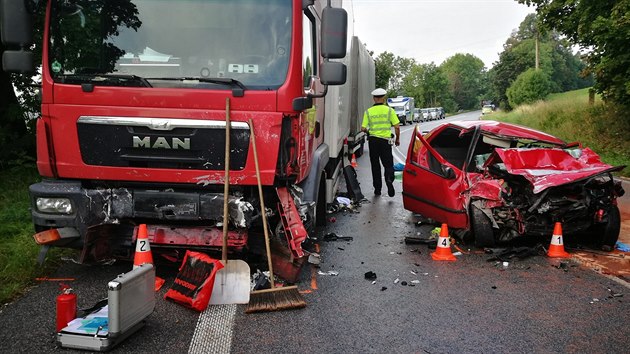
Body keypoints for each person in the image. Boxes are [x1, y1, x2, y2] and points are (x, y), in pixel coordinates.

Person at [361, 88, 400, 197]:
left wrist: (369, 130)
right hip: (385, 141)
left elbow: (363, 128)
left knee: (375, 165)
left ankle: (377, 189)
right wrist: (397, 139)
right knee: (388, 164)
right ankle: (389, 179)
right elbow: (397, 126)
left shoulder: (368, 111)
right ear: (384, 98)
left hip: (373, 141)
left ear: (374, 98)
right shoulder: (389, 110)